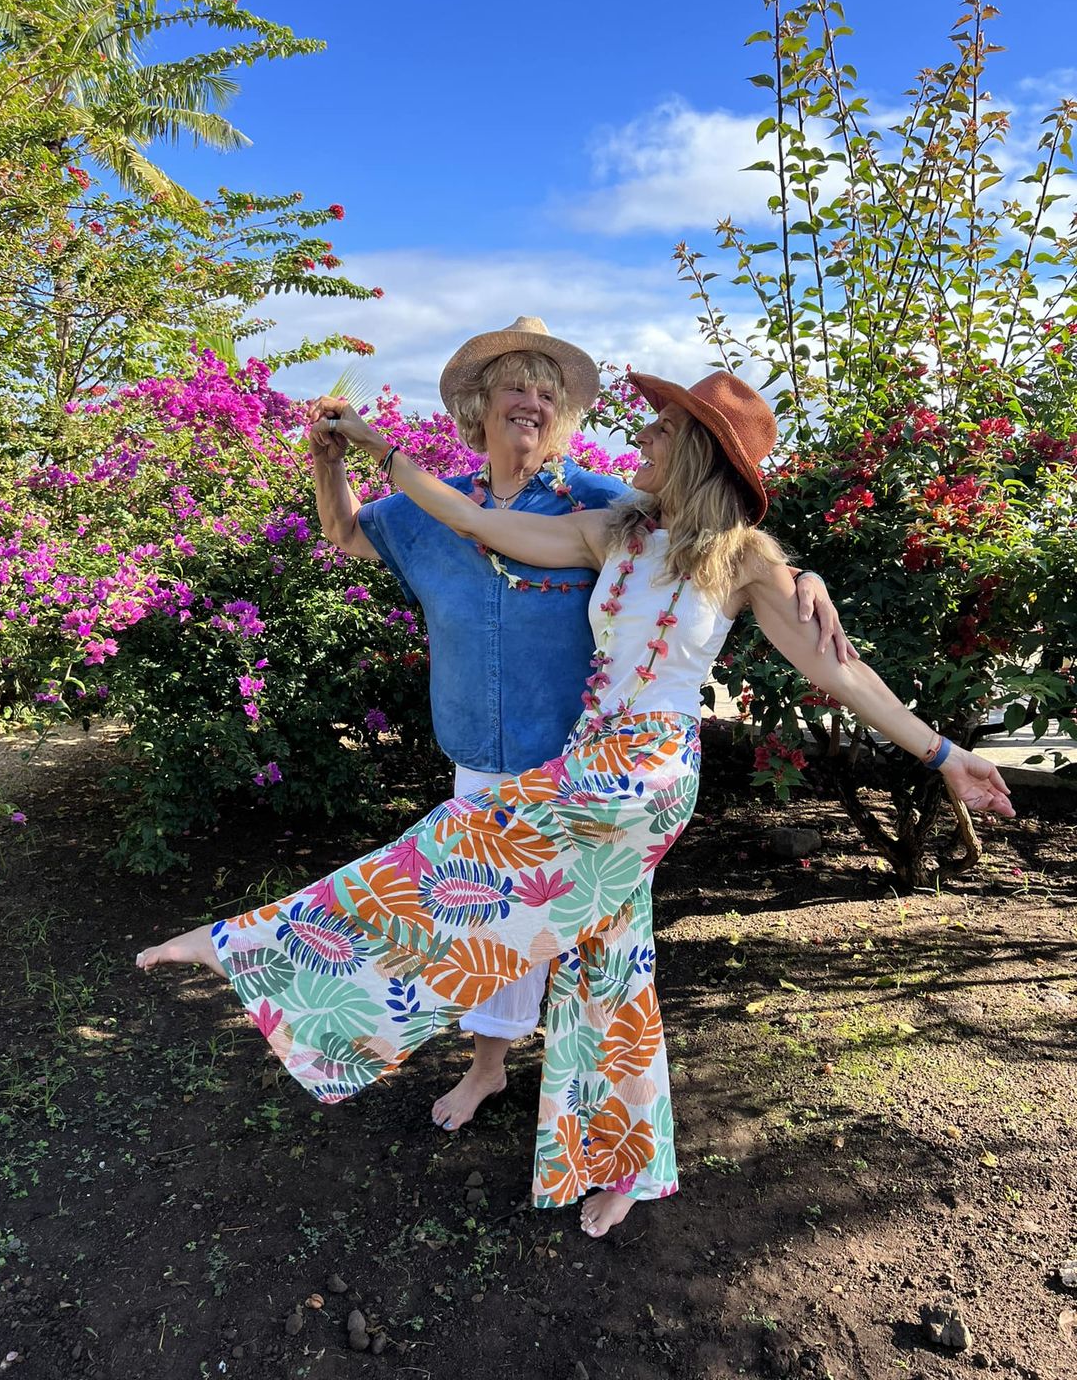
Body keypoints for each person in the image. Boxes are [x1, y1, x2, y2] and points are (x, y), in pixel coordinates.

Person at [138, 366, 1014, 1240]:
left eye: (662, 429)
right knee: (608, 972)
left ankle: (258, 952)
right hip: (592, 755)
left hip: (645, 776)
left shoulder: (742, 558)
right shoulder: (615, 532)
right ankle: (629, 1163)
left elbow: (840, 670)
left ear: (699, 449)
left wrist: (943, 754)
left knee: (460, 847)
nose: (643, 438)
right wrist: (380, 453)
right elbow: (480, 521)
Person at [307, 317, 853, 1133]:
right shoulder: (426, 508)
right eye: (515, 387)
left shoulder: (604, 505)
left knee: (593, 950)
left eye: (546, 392)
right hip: (478, 747)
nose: (531, 402)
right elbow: (344, 535)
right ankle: (488, 1069)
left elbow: (706, 531)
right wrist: (329, 465)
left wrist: (791, 572)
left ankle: (601, 1120)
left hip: (581, 768)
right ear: (478, 406)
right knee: (484, 919)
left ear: (562, 417)